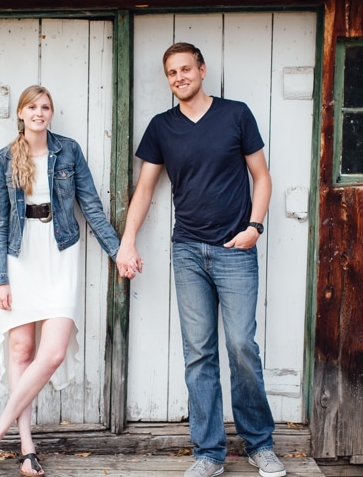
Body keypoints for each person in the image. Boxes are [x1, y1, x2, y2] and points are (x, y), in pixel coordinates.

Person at [114, 42, 284, 477]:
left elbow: (261, 177)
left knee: (241, 346)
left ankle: (260, 444)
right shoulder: (161, 127)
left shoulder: (236, 115)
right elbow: (146, 190)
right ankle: (209, 453)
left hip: (234, 249)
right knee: (199, 353)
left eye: (185, 69)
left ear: (202, 70)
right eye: (171, 73)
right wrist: (127, 242)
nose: (179, 78)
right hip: (187, 250)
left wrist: (255, 227)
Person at [0, 85, 132, 476]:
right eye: (32, 107)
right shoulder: (6, 158)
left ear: (51, 113)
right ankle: (26, 448)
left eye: (45, 107)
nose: (39, 113)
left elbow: (90, 205)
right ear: (21, 114)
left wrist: (118, 251)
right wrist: (0, 278)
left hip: (59, 253)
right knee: (21, 351)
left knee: (53, 351)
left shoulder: (69, 151)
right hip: (20, 255)